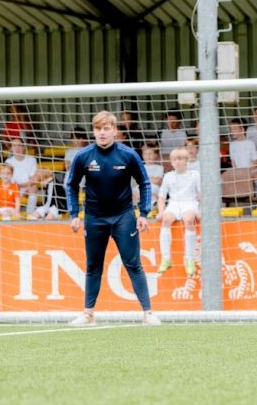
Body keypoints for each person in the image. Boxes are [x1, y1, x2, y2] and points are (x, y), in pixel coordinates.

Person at [65, 110, 158, 326]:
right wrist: (74, 214)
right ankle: (88, 314)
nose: (102, 133)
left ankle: (148, 313)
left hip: (123, 216)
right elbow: (70, 184)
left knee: (133, 263)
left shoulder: (128, 155)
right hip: (94, 218)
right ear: (94, 131)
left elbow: (144, 183)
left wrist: (143, 213)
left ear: (115, 131)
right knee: (93, 265)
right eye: (98, 129)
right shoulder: (83, 156)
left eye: (106, 129)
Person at [157, 148, 200, 276]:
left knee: (188, 219)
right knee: (165, 220)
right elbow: (162, 196)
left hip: (190, 202)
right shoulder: (168, 176)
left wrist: (200, 210)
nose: (177, 162)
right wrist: (161, 211)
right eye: (174, 160)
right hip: (174, 204)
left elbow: (202, 194)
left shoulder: (195, 175)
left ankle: (190, 259)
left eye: (180, 159)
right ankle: (166, 259)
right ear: (171, 162)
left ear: (186, 161)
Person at [5, 138, 38, 216]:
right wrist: (16, 188)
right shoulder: (8, 162)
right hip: (13, 187)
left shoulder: (32, 160)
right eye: (14, 146)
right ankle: (11, 213)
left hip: (27, 186)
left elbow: (33, 179)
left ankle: (30, 214)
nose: (17, 148)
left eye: (19, 145)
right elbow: (7, 181)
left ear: (23, 147)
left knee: (33, 188)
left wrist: (23, 187)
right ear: (11, 149)